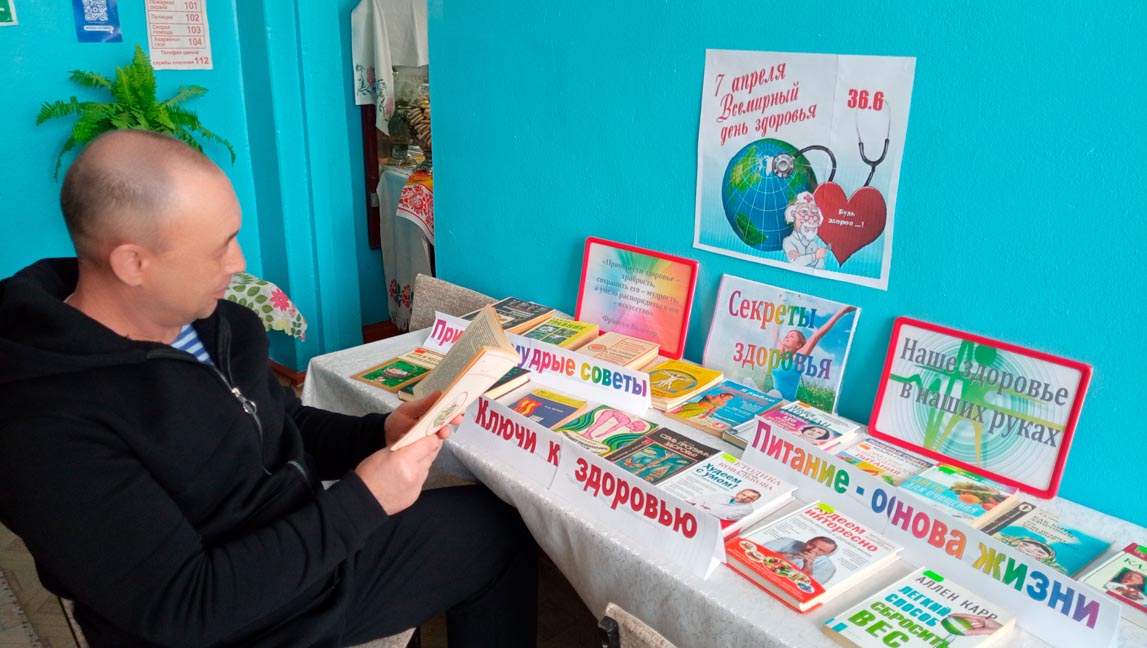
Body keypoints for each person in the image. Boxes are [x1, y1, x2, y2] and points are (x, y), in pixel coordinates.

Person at [0, 131, 537, 647]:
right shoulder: (43, 424)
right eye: (219, 248)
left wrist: (379, 433)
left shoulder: (215, 324)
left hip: (311, 553)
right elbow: (184, 605)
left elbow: (281, 421)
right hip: (237, 620)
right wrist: (363, 502)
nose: (238, 264)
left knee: (499, 529)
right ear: (132, 263)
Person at [768, 304, 857, 401]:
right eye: (787, 335)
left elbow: (816, 337)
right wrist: (779, 309)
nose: (787, 337)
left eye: (792, 336)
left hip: (785, 401)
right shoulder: (781, 354)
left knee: (773, 393)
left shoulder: (797, 358)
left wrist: (841, 312)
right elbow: (775, 331)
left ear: (798, 345)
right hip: (775, 397)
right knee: (763, 389)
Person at [761, 536, 839, 584]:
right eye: (811, 545)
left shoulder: (828, 567)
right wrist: (792, 555)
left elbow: (806, 585)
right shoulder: (787, 541)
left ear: (827, 554)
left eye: (821, 550)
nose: (812, 550)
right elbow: (760, 552)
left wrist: (808, 565)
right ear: (808, 541)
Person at [781, 191, 829, 269]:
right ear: (793, 214)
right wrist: (815, 256)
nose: (810, 218)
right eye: (804, 211)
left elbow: (820, 265)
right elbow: (796, 262)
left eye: (814, 212)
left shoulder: (813, 244)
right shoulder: (789, 241)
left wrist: (804, 258)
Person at [690, 488, 762, 522]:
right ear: (738, 492)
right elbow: (703, 498)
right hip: (693, 513)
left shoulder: (748, 509)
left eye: (749, 498)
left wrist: (700, 506)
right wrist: (699, 505)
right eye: (743, 494)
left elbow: (724, 515)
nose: (744, 498)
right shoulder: (723, 496)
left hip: (709, 522)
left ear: (753, 501)